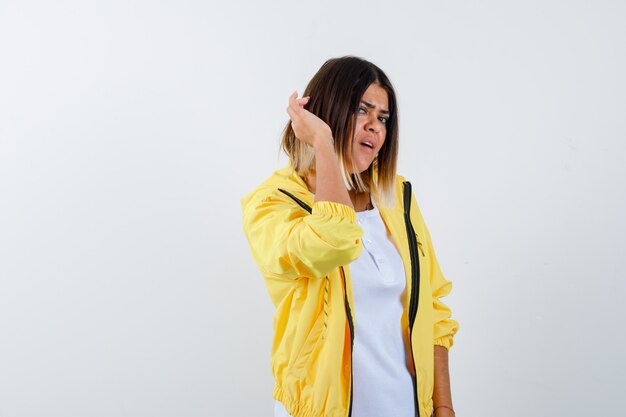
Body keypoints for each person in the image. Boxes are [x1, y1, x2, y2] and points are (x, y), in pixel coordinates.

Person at [240, 56, 459, 417]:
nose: (375, 127)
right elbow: (335, 240)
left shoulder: (397, 196)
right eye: (362, 110)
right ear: (325, 114)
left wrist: (444, 406)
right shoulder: (272, 204)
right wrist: (324, 146)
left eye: (384, 118)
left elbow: (433, 306)